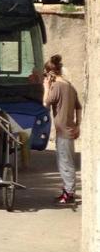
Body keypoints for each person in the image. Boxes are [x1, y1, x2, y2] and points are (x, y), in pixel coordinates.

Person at [43, 54, 82, 204]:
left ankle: (69, 193)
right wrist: (78, 124)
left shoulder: (58, 86)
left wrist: (46, 87)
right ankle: (67, 190)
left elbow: (46, 103)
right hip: (69, 129)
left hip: (63, 131)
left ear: (50, 73)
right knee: (67, 161)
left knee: (65, 163)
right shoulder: (70, 86)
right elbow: (78, 107)